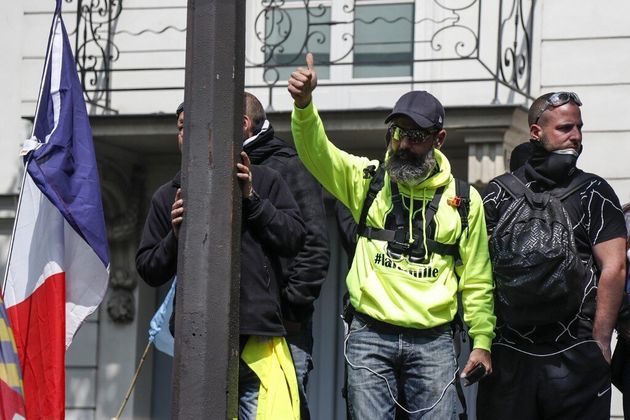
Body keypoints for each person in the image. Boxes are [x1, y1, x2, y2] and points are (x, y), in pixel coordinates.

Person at [288, 53, 496, 419]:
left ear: (439, 138)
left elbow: (477, 279)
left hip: (434, 341)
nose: (403, 145)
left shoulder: (464, 200)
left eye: (415, 136)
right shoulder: (368, 180)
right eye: (398, 133)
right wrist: (304, 106)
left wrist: (482, 342)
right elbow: (317, 153)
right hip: (370, 336)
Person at [135, 103, 307, 418]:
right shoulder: (168, 195)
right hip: (198, 340)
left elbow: (294, 238)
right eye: (181, 126)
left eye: (196, 125)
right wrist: (175, 237)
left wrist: (252, 201)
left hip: (256, 337)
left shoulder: (264, 180)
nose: (186, 134)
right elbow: (149, 269)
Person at [477, 92, 627, 419]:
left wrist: (599, 341)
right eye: (565, 128)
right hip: (516, 356)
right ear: (536, 132)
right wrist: (599, 343)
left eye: (579, 128)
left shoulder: (499, 192)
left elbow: (616, 267)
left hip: (570, 352)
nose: (575, 136)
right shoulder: (594, 192)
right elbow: (478, 271)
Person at [242, 92, 330, 419]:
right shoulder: (216, 166)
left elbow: (315, 243)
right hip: (236, 323)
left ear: (243, 124)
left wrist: (291, 309)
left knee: (284, 411)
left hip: (282, 326)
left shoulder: (288, 164)